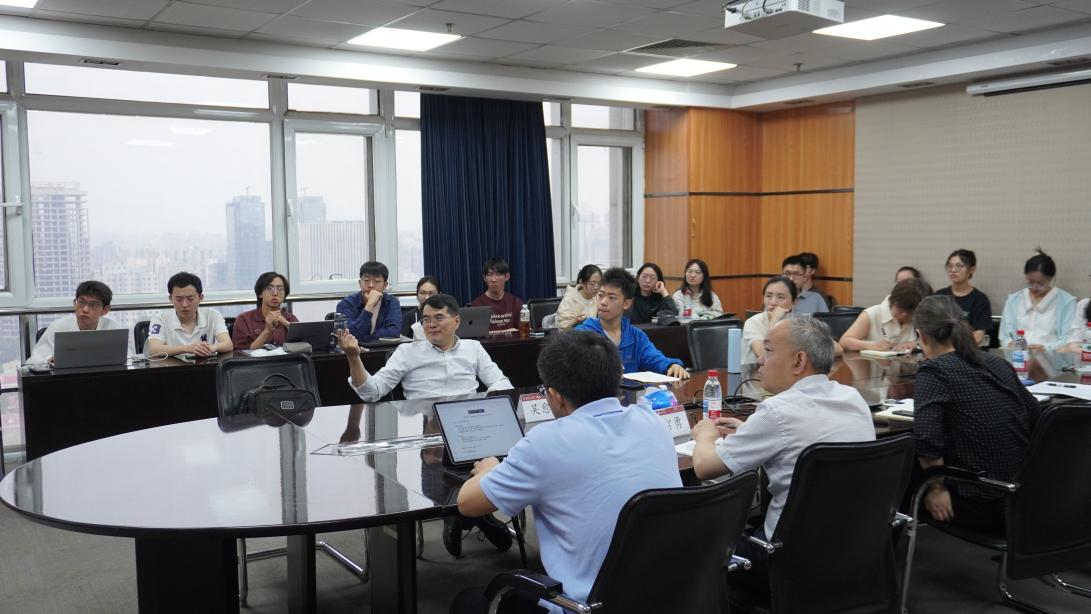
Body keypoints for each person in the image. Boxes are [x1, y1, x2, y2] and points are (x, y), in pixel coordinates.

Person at [451, 331, 682, 614]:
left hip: (590, 606)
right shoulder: (652, 421)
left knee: (468, 602)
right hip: (670, 593)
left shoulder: (547, 441)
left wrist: (489, 471)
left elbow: (467, 503)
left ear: (555, 396)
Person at [690, 315, 874, 596]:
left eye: (768, 350)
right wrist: (750, 430)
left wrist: (704, 434)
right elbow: (799, 433)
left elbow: (704, 467)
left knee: (698, 544)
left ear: (798, 361)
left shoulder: (777, 412)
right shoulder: (853, 399)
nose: (760, 360)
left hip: (785, 561)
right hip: (853, 552)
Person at [338, 293, 514, 557]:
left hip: (469, 427)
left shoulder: (473, 349)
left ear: (456, 321)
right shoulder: (407, 352)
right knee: (439, 461)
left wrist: (483, 411)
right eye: (426, 319)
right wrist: (353, 358)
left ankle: (464, 514)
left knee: (491, 454)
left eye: (439, 318)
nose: (431, 324)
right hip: (429, 433)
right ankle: (473, 515)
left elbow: (501, 383)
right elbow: (371, 392)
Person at [912, 295, 1039, 532]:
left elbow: (927, 439)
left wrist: (936, 488)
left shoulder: (934, 371)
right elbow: (1035, 415)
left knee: (894, 483)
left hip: (983, 501)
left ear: (922, 336)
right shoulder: (998, 363)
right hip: (1026, 496)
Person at [575, 268, 689, 380]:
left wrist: (671, 365)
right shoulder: (584, 333)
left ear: (626, 304)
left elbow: (655, 358)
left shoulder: (636, 336)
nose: (603, 302)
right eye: (600, 295)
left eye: (611, 297)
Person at [26, 280, 123, 366]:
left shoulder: (113, 328)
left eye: (93, 305)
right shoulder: (58, 327)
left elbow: (127, 358)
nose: (85, 310)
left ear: (105, 310)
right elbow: (33, 361)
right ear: (75, 303)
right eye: (81, 302)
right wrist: (48, 359)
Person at [999, 248, 1076, 351]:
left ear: (1050, 278)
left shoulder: (1066, 302)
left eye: (1040, 283)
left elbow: (1068, 338)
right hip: (1018, 354)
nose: (1034, 288)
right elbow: (1004, 336)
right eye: (1030, 282)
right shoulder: (1014, 300)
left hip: (1052, 355)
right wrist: (1013, 344)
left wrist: (1046, 348)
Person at [147, 272, 233, 357]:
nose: (184, 304)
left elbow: (228, 344)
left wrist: (211, 348)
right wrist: (186, 348)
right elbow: (154, 349)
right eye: (179, 299)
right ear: (170, 299)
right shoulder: (160, 319)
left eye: (190, 299)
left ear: (201, 297)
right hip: (171, 365)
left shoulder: (213, 315)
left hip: (205, 365)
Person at [840, 278, 927, 352]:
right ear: (894, 299)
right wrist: (872, 345)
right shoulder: (871, 314)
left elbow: (932, 342)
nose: (904, 315)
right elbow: (844, 341)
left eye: (910, 312)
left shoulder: (919, 317)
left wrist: (916, 344)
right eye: (901, 308)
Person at [934, 249, 992, 346]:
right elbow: (930, 327)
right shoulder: (939, 296)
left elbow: (978, 336)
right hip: (940, 347)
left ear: (972, 269)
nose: (953, 270)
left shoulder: (980, 299)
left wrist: (953, 347)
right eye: (950, 266)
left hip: (966, 349)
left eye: (959, 266)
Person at [231, 271, 299, 351]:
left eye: (280, 289)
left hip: (287, 359)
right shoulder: (244, 319)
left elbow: (304, 346)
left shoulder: (290, 319)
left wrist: (287, 324)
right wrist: (267, 331)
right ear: (260, 294)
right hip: (256, 360)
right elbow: (240, 353)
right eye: (270, 288)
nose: (275, 293)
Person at [336, 261, 402, 343]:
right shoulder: (346, 304)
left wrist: (365, 337)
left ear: (385, 285)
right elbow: (350, 334)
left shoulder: (391, 302)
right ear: (360, 283)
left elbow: (394, 332)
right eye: (366, 280)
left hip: (383, 348)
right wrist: (369, 305)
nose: (371, 285)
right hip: (354, 348)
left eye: (377, 281)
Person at [743, 276, 797, 365]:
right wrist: (774, 320)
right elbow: (764, 356)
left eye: (780, 297)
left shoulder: (798, 325)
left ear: (793, 303)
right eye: (768, 296)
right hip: (756, 372)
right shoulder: (753, 322)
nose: (773, 302)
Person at [471, 257, 524, 332]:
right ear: (484, 278)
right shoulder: (477, 305)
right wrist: (506, 331)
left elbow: (524, 330)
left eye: (498, 274)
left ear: (507, 276)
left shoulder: (515, 302)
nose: (494, 280)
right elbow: (478, 333)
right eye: (489, 275)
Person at [556, 264, 601, 329]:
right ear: (581, 282)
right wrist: (575, 321)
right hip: (574, 334)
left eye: (599, 283)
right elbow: (563, 329)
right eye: (592, 284)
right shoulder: (569, 300)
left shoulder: (598, 296)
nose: (596, 287)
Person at [401, 275, 441, 340]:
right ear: (417, 295)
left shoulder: (444, 314)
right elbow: (402, 339)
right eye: (422, 293)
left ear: (439, 295)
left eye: (431, 293)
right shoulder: (409, 316)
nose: (426, 297)